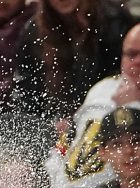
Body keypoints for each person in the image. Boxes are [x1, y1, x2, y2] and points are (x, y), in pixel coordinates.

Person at [47, 22, 140, 188]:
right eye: (131, 55)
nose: (137, 62)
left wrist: (133, 104)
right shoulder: (102, 88)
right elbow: (66, 141)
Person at [14, 0, 124, 134]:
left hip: (103, 116)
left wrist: (76, 118)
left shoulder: (114, 21)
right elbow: (27, 89)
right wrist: (42, 125)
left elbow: (114, 81)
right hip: (53, 124)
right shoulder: (34, 29)